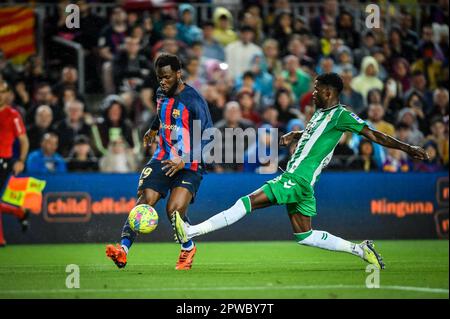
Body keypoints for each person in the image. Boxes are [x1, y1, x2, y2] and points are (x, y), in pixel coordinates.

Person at [172, 73, 429, 270]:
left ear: (329, 91)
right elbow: (314, 137)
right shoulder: (319, 114)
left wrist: (408, 148)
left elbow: (374, 134)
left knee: (246, 202)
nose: (313, 92)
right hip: (303, 184)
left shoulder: (341, 115)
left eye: (317, 89)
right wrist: (296, 134)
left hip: (295, 179)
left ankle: (192, 232)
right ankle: (361, 249)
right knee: (305, 235)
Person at [106, 54, 213, 270]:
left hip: (189, 163)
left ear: (178, 74)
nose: (162, 81)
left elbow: (209, 139)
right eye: (159, 77)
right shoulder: (160, 93)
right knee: (145, 199)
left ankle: (187, 247)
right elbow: (162, 114)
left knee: (173, 210)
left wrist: (184, 160)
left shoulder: (194, 101)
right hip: (163, 157)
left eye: (166, 77)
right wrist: (153, 129)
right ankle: (123, 250)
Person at [0, 81, 30, 246]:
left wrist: (20, 160)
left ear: (8, 94)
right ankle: (19, 212)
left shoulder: (13, 115)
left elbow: (24, 141)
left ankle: (1, 239)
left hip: (3, 161)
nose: (0, 95)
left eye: (3, 91)